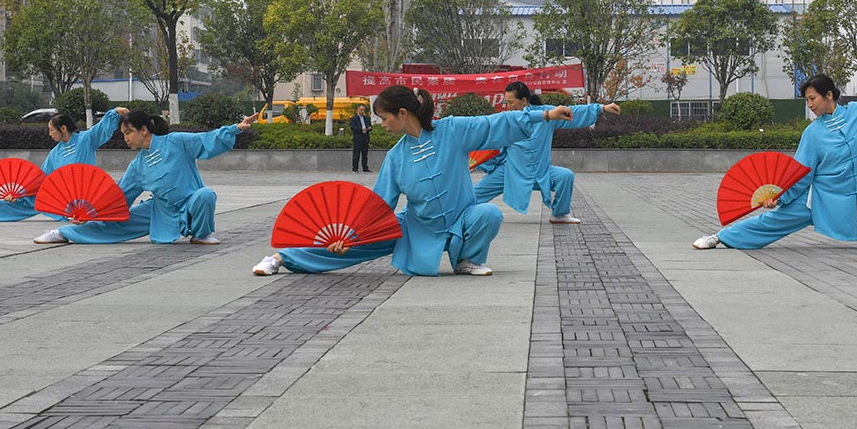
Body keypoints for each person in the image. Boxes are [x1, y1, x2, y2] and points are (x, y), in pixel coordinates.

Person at [253, 85, 573, 278]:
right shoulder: (396, 157)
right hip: (416, 228)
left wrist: (543, 115)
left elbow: (495, 122)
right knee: (350, 247)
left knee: (489, 214)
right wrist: (351, 235)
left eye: (385, 118)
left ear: (403, 113)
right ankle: (282, 257)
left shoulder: (452, 130)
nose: (382, 125)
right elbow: (378, 205)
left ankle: (467, 260)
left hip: (462, 219)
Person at [692, 71, 857, 252]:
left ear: (828, 95)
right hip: (823, 199)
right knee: (772, 222)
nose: (810, 105)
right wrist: (779, 196)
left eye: (812, 98)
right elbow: (800, 172)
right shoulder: (813, 133)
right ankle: (720, 237)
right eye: (807, 101)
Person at [33, 108, 258, 245]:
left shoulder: (176, 141)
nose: (126, 139)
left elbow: (207, 139)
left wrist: (235, 128)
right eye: (123, 135)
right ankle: (64, 233)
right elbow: (118, 197)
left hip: (189, 203)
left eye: (128, 133)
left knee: (206, 195)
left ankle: (201, 234)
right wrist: (90, 214)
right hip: (159, 211)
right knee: (116, 224)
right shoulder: (137, 166)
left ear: (143, 130)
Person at [473, 83, 620, 224]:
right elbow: (487, 137)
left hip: (540, 172)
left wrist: (602, 108)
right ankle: (460, 215)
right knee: (474, 195)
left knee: (565, 176)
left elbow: (571, 111)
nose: (508, 106)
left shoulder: (548, 114)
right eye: (506, 102)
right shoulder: (507, 119)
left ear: (524, 100)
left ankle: (560, 214)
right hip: (511, 171)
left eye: (511, 102)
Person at [0, 107, 125, 223]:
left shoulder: (85, 140)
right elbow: (41, 179)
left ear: (63, 128)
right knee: (25, 201)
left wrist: (114, 113)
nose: (50, 134)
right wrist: (20, 194)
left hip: (84, 197)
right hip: (62, 197)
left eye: (52, 129)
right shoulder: (55, 152)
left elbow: (102, 128)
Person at [350, 102, 373, 173]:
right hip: (357, 138)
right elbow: (353, 127)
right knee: (356, 154)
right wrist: (361, 129)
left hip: (365, 138)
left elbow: (370, 126)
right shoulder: (354, 118)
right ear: (357, 110)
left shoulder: (366, 118)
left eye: (363, 110)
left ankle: (365, 167)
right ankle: (355, 168)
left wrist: (369, 128)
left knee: (365, 154)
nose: (362, 111)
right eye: (361, 110)